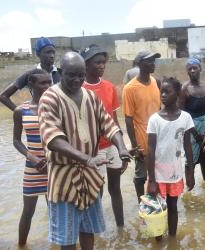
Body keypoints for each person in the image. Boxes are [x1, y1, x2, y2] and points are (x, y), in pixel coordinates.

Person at [38, 52, 132, 249]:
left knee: (88, 229)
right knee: (67, 237)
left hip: (89, 176)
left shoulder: (91, 96)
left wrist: (122, 148)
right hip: (63, 176)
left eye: (81, 75)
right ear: (61, 72)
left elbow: (109, 124)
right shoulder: (49, 98)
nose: (77, 80)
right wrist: (86, 159)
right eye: (71, 75)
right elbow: (52, 139)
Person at [80, 45, 126, 227]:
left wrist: (122, 146)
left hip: (112, 146)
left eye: (103, 62)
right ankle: (96, 229)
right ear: (86, 64)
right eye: (97, 62)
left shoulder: (109, 87)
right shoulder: (80, 89)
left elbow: (114, 120)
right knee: (96, 191)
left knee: (115, 188)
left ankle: (121, 228)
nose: (101, 66)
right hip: (93, 149)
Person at [146, 77, 195, 237]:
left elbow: (188, 146)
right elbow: (151, 150)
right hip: (157, 175)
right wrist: (152, 180)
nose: (163, 95)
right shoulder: (154, 119)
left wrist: (191, 172)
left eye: (168, 92)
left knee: (173, 207)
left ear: (178, 93)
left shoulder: (185, 117)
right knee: (157, 209)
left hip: (175, 173)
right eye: (162, 92)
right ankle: (158, 239)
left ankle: (173, 240)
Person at [12, 69, 51, 245]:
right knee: (28, 211)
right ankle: (21, 245)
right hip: (32, 168)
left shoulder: (54, 108)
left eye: (49, 82)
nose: (48, 86)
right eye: (43, 83)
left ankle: (57, 243)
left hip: (53, 167)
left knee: (55, 211)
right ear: (31, 86)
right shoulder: (21, 111)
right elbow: (16, 141)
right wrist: (33, 158)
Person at [122, 50, 161, 202]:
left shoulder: (155, 82)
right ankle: (142, 204)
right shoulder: (130, 88)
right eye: (149, 61)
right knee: (140, 177)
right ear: (139, 64)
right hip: (142, 140)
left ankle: (156, 203)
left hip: (158, 138)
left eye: (154, 61)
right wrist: (134, 146)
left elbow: (160, 111)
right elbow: (128, 119)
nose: (153, 64)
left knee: (158, 173)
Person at [0, 37, 60, 111]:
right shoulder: (30, 75)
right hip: (38, 116)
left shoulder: (61, 73)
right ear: (38, 54)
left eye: (53, 52)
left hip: (58, 117)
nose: (52, 55)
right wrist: (20, 113)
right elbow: (3, 97)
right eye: (48, 52)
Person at [178, 58, 205, 185]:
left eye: (195, 67)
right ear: (187, 71)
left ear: (200, 69)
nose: (192, 70)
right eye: (189, 68)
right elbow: (181, 114)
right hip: (190, 129)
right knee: (190, 160)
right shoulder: (184, 89)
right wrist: (196, 134)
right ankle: (189, 188)